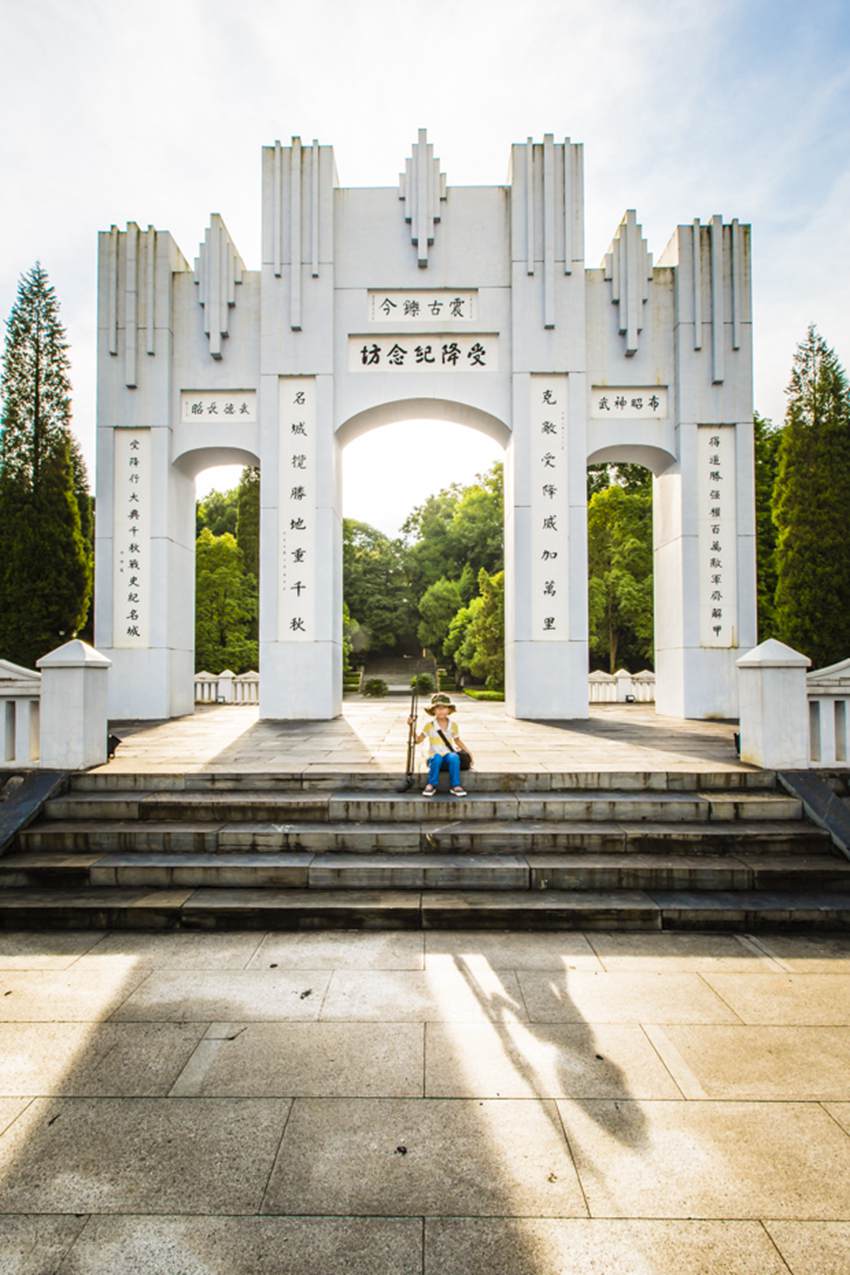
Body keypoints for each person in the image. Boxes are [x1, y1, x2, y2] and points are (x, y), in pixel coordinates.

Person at [407, 692, 472, 797]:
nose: (441, 710)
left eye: (444, 708)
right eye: (438, 708)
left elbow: (457, 741)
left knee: (454, 757)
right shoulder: (429, 726)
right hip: (434, 757)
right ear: (433, 710)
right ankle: (432, 784)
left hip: (447, 756)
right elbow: (418, 740)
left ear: (449, 710)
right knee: (436, 758)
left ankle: (455, 785)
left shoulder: (453, 725)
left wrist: (468, 753)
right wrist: (411, 727)